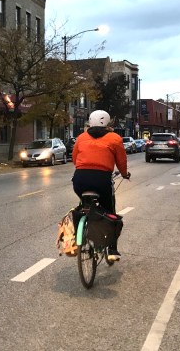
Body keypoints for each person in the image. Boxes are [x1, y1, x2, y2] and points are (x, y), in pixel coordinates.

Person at [71, 110, 128, 262]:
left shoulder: (81, 137)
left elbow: (75, 159)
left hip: (80, 179)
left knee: (83, 205)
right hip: (102, 180)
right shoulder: (115, 138)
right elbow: (121, 161)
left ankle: (79, 236)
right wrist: (124, 174)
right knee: (110, 211)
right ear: (108, 123)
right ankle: (112, 249)